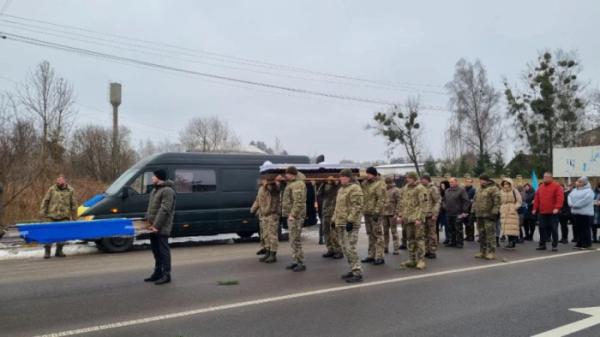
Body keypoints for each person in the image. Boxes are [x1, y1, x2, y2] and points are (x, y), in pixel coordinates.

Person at [144, 169, 176, 285]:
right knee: (156, 251)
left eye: (154, 176)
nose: (152, 178)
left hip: (161, 227)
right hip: (153, 226)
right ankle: (157, 273)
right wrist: (147, 222)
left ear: (159, 177)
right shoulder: (155, 191)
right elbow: (151, 209)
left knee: (163, 251)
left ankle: (166, 275)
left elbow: (165, 210)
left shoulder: (167, 191)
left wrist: (156, 226)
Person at [334, 169, 364, 283]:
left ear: (348, 177)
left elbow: (357, 206)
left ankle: (357, 272)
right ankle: (352, 269)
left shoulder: (355, 188)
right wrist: (334, 219)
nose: (340, 179)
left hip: (350, 223)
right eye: (340, 177)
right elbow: (338, 206)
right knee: (344, 247)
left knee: (350, 248)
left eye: (342, 177)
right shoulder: (341, 189)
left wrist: (351, 221)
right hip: (341, 222)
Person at [39, 174, 77, 259]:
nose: (59, 182)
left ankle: (59, 251)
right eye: (58, 180)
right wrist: (42, 213)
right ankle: (47, 252)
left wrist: (74, 217)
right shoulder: (52, 189)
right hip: (51, 216)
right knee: (48, 235)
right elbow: (45, 201)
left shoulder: (70, 190)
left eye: (61, 180)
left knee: (62, 235)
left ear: (65, 181)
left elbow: (74, 204)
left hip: (64, 216)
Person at [398, 172, 428, 270]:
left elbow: (423, 205)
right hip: (408, 218)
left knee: (419, 239)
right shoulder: (405, 188)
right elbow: (402, 202)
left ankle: (421, 260)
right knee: (410, 239)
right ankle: (412, 259)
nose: (408, 179)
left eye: (410, 178)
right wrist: (400, 215)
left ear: (415, 178)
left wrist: (419, 218)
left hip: (416, 219)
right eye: (407, 178)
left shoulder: (421, 188)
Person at [282, 166, 308, 272]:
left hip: (296, 216)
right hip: (291, 216)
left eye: (287, 174)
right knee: (292, 239)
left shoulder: (298, 184)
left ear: (292, 174)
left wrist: (293, 214)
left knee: (296, 239)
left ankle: (300, 262)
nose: (285, 176)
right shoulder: (291, 183)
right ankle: (295, 260)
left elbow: (299, 202)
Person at [250, 178, 281, 263]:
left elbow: (275, 189)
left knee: (272, 235)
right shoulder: (260, 189)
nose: (261, 181)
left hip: (272, 214)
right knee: (265, 235)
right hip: (264, 215)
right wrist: (253, 209)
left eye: (264, 179)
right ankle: (267, 252)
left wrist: (267, 184)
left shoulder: (273, 187)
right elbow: (258, 200)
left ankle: (273, 255)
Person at [360, 167, 386, 265]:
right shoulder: (365, 184)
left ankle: (380, 256)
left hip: (375, 214)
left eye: (369, 174)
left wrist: (376, 211)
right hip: (367, 212)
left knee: (378, 235)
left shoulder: (380, 184)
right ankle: (371, 255)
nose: (367, 175)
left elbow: (381, 199)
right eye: (367, 174)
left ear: (374, 174)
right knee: (370, 234)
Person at [532, 172, 564, 252]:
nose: (545, 178)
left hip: (553, 212)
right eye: (544, 177)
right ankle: (542, 244)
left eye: (547, 177)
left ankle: (554, 245)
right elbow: (537, 199)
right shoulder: (541, 187)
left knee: (554, 229)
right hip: (542, 212)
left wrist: (557, 208)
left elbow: (560, 198)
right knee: (541, 228)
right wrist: (534, 208)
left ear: (551, 178)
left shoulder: (557, 186)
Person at [472, 175, 501, 260]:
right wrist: (473, 211)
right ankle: (482, 251)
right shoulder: (479, 189)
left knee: (490, 234)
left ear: (487, 181)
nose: (481, 182)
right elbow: (475, 200)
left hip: (489, 215)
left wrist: (495, 213)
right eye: (480, 180)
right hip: (479, 215)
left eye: (483, 180)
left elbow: (497, 202)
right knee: (481, 234)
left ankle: (491, 252)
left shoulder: (493, 188)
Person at [317, 177, 343, 259]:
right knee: (326, 232)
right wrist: (323, 183)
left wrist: (335, 182)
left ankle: (338, 250)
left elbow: (338, 189)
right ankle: (330, 249)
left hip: (334, 213)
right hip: (325, 212)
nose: (329, 181)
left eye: (330, 180)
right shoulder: (325, 187)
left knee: (334, 233)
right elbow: (318, 194)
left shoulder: (337, 187)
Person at [568, 176, 595, 250]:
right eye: (577, 181)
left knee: (585, 229)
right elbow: (569, 197)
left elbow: (585, 200)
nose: (577, 182)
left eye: (580, 181)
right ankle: (579, 243)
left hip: (585, 214)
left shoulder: (589, 191)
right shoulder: (574, 190)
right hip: (576, 212)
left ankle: (587, 244)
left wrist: (575, 205)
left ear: (584, 183)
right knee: (578, 229)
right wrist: (571, 204)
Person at [442, 178, 470, 248]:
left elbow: (466, 201)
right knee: (450, 228)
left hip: (458, 213)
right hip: (449, 213)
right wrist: (444, 206)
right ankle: (452, 241)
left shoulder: (461, 190)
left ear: (456, 182)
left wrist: (464, 211)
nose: (451, 183)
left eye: (452, 182)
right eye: (450, 182)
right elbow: (444, 200)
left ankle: (460, 243)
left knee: (458, 229)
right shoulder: (447, 190)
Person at [420, 175, 441, 259]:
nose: (421, 181)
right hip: (423, 215)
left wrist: (435, 214)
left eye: (422, 180)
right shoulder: (422, 188)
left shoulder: (433, 188)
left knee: (431, 234)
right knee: (424, 234)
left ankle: (432, 251)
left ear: (427, 180)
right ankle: (426, 250)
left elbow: (437, 201)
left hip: (431, 215)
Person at [499, 178, 522, 250]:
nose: (506, 185)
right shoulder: (501, 191)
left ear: (510, 184)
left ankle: (512, 242)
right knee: (506, 228)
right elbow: (499, 201)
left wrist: (514, 208)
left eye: (507, 183)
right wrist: (501, 208)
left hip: (512, 210)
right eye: (504, 183)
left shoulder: (515, 191)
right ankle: (510, 242)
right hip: (504, 210)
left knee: (512, 227)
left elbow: (519, 201)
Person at [382, 176, 401, 255]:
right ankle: (385, 247)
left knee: (394, 231)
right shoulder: (384, 190)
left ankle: (396, 248)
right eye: (386, 183)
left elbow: (399, 202)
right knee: (385, 232)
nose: (387, 184)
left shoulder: (396, 190)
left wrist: (397, 213)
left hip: (392, 213)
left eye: (389, 183)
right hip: (384, 213)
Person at [437, 180, 450, 245]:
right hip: (441, 210)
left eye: (443, 185)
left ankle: (448, 238)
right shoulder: (440, 192)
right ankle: (439, 239)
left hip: (446, 210)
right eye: (441, 185)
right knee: (442, 225)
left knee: (447, 225)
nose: (442, 187)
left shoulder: (448, 192)